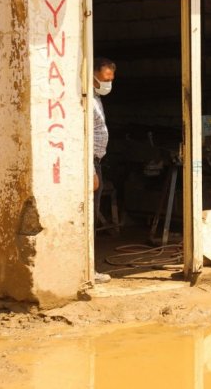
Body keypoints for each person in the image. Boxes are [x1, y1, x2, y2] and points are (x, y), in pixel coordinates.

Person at [93, 57, 116, 284]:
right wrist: (90, 168)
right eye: (105, 78)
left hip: (97, 161)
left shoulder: (96, 98)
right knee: (90, 214)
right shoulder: (86, 100)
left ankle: (89, 267)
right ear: (93, 74)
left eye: (111, 79)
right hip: (90, 162)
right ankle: (87, 269)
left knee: (94, 210)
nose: (108, 83)